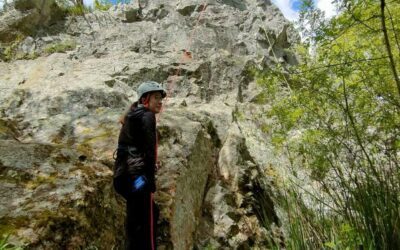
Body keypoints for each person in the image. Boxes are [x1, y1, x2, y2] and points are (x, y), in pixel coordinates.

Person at [113, 81, 166, 250]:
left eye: (161, 99)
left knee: (139, 216)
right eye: (156, 98)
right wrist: (150, 180)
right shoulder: (147, 116)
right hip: (137, 177)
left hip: (124, 176)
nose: (160, 102)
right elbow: (150, 150)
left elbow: (137, 149)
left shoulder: (133, 115)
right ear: (145, 99)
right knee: (146, 220)